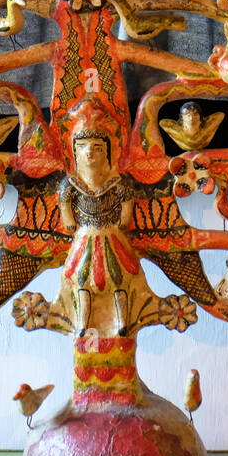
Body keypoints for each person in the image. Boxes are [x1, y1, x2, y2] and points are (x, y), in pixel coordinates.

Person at [57, 125, 143, 337]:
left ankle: (122, 322)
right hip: (85, 239)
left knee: (119, 278)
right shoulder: (71, 184)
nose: (90, 152)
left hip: (111, 238)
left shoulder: (116, 183)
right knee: (81, 280)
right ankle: (82, 324)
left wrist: (124, 216)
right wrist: (67, 217)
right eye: (83, 147)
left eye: (97, 147)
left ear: (106, 151)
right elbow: (64, 201)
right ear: (75, 152)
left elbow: (126, 200)